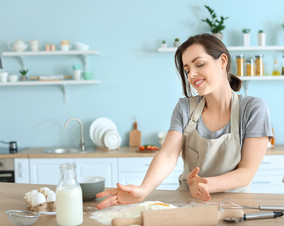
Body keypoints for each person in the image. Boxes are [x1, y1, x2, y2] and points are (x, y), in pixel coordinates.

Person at [96, 33, 273, 210]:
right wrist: (144, 189)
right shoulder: (184, 107)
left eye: (200, 64)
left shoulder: (253, 108)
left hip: (235, 207)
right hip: (189, 203)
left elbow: (246, 173)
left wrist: (204, 184)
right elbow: (168, 155)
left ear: (222, 61)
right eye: (187, 70)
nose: (191, 75)